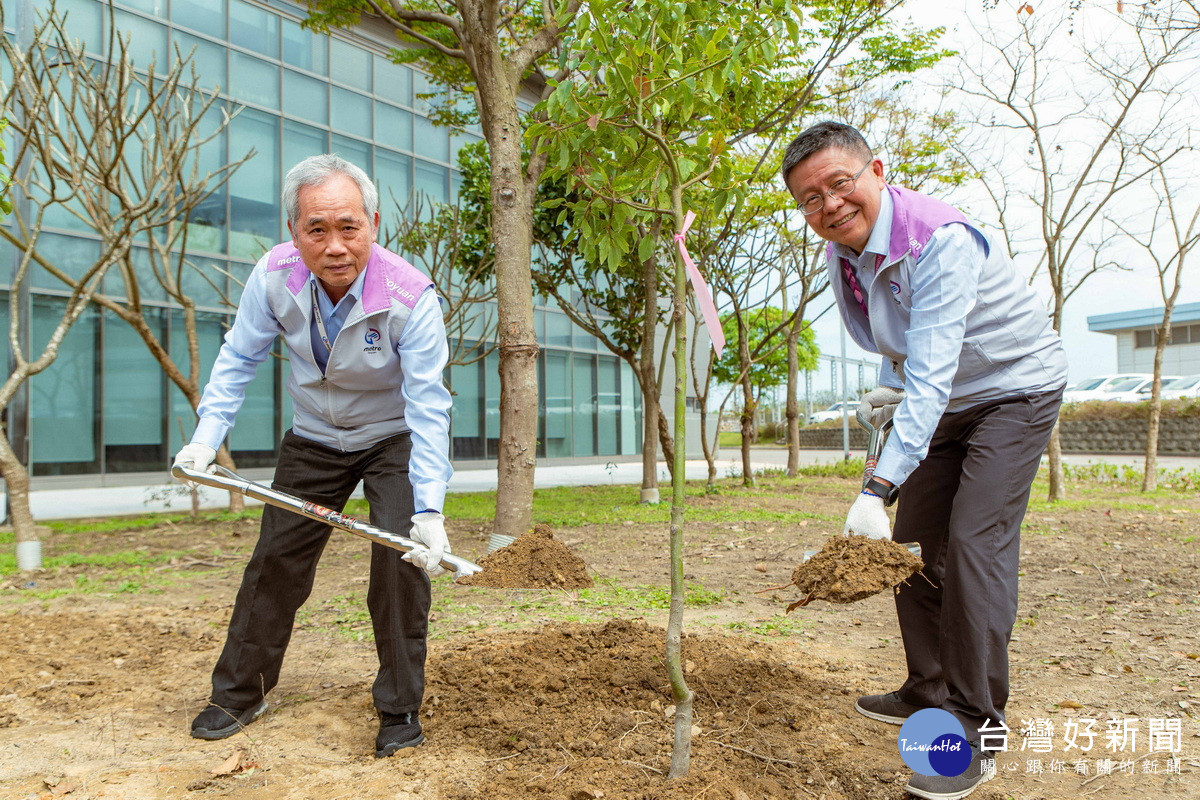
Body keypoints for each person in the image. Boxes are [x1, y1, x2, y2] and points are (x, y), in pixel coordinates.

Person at [781, 122, 1067, 800]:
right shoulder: (842, 254)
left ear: (877, 170)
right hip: (939, 399)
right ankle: (928, 688)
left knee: (973, 546)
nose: (829, 205)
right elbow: (898, 340)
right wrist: (891, 386)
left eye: (840, 184)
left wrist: (875, 483)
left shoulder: (939, 240)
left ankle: (975, 728)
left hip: (1012, 390)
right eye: (810, 198)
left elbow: (934, 376)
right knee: (911, 546)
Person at [172, 153, 455, 758]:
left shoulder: (411, 297)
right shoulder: (273, 275)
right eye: (316, 229)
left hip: (392, 439)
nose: (334, 245)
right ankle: (240, 693)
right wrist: (204, 437)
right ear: (294, 232)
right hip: (315, 437)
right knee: (275, 563)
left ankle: (400, 707)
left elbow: (429, 406)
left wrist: (428, 510)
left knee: (399, 567)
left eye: (348, 227)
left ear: (373, 224)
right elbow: (238, 356)